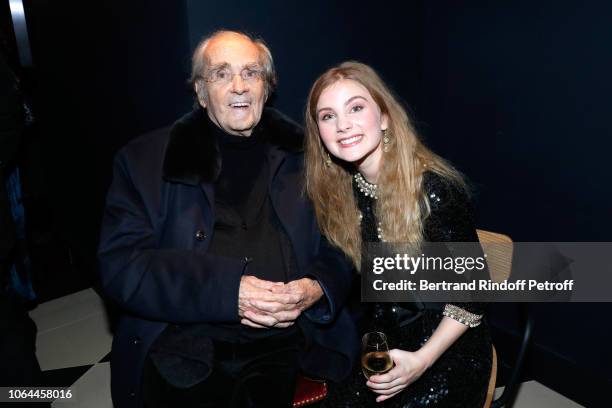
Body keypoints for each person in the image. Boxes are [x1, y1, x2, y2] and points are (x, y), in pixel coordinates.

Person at [98, 31, 356, 408]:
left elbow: (346, 243)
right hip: (185, 341)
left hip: (284, 341)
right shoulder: (144, 162)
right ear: (201, 93)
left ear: (266, 88)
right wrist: (228, 292)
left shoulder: (310, 156)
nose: (239, 85)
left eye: (251, 73)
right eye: (221, 74)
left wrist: (316, 287)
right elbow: (122, 266)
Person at [304, 61, 492, 407]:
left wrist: (421, 360)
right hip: (387, 341)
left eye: (356, 108)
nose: (343, 125)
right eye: (327, 116)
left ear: (385, 117)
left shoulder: (434, 189)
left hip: (444, 353)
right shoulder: (346, 188)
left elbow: (474, 294)